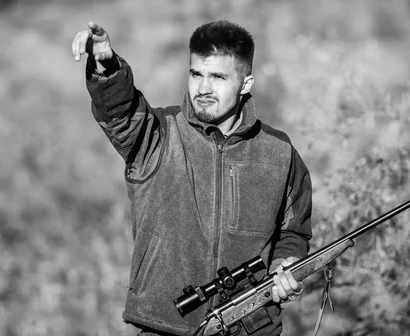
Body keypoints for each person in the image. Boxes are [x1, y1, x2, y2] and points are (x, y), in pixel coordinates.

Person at [71, 20, 313, 336]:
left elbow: (293, 231)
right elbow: (121, 113)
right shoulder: (157, 133)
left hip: (252, 328)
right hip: (165, 327)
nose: (203, 88)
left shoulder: (279, 151)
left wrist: (285, 266)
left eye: (218, 77)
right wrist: (107, 67)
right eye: (196, 74)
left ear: (245, 83)